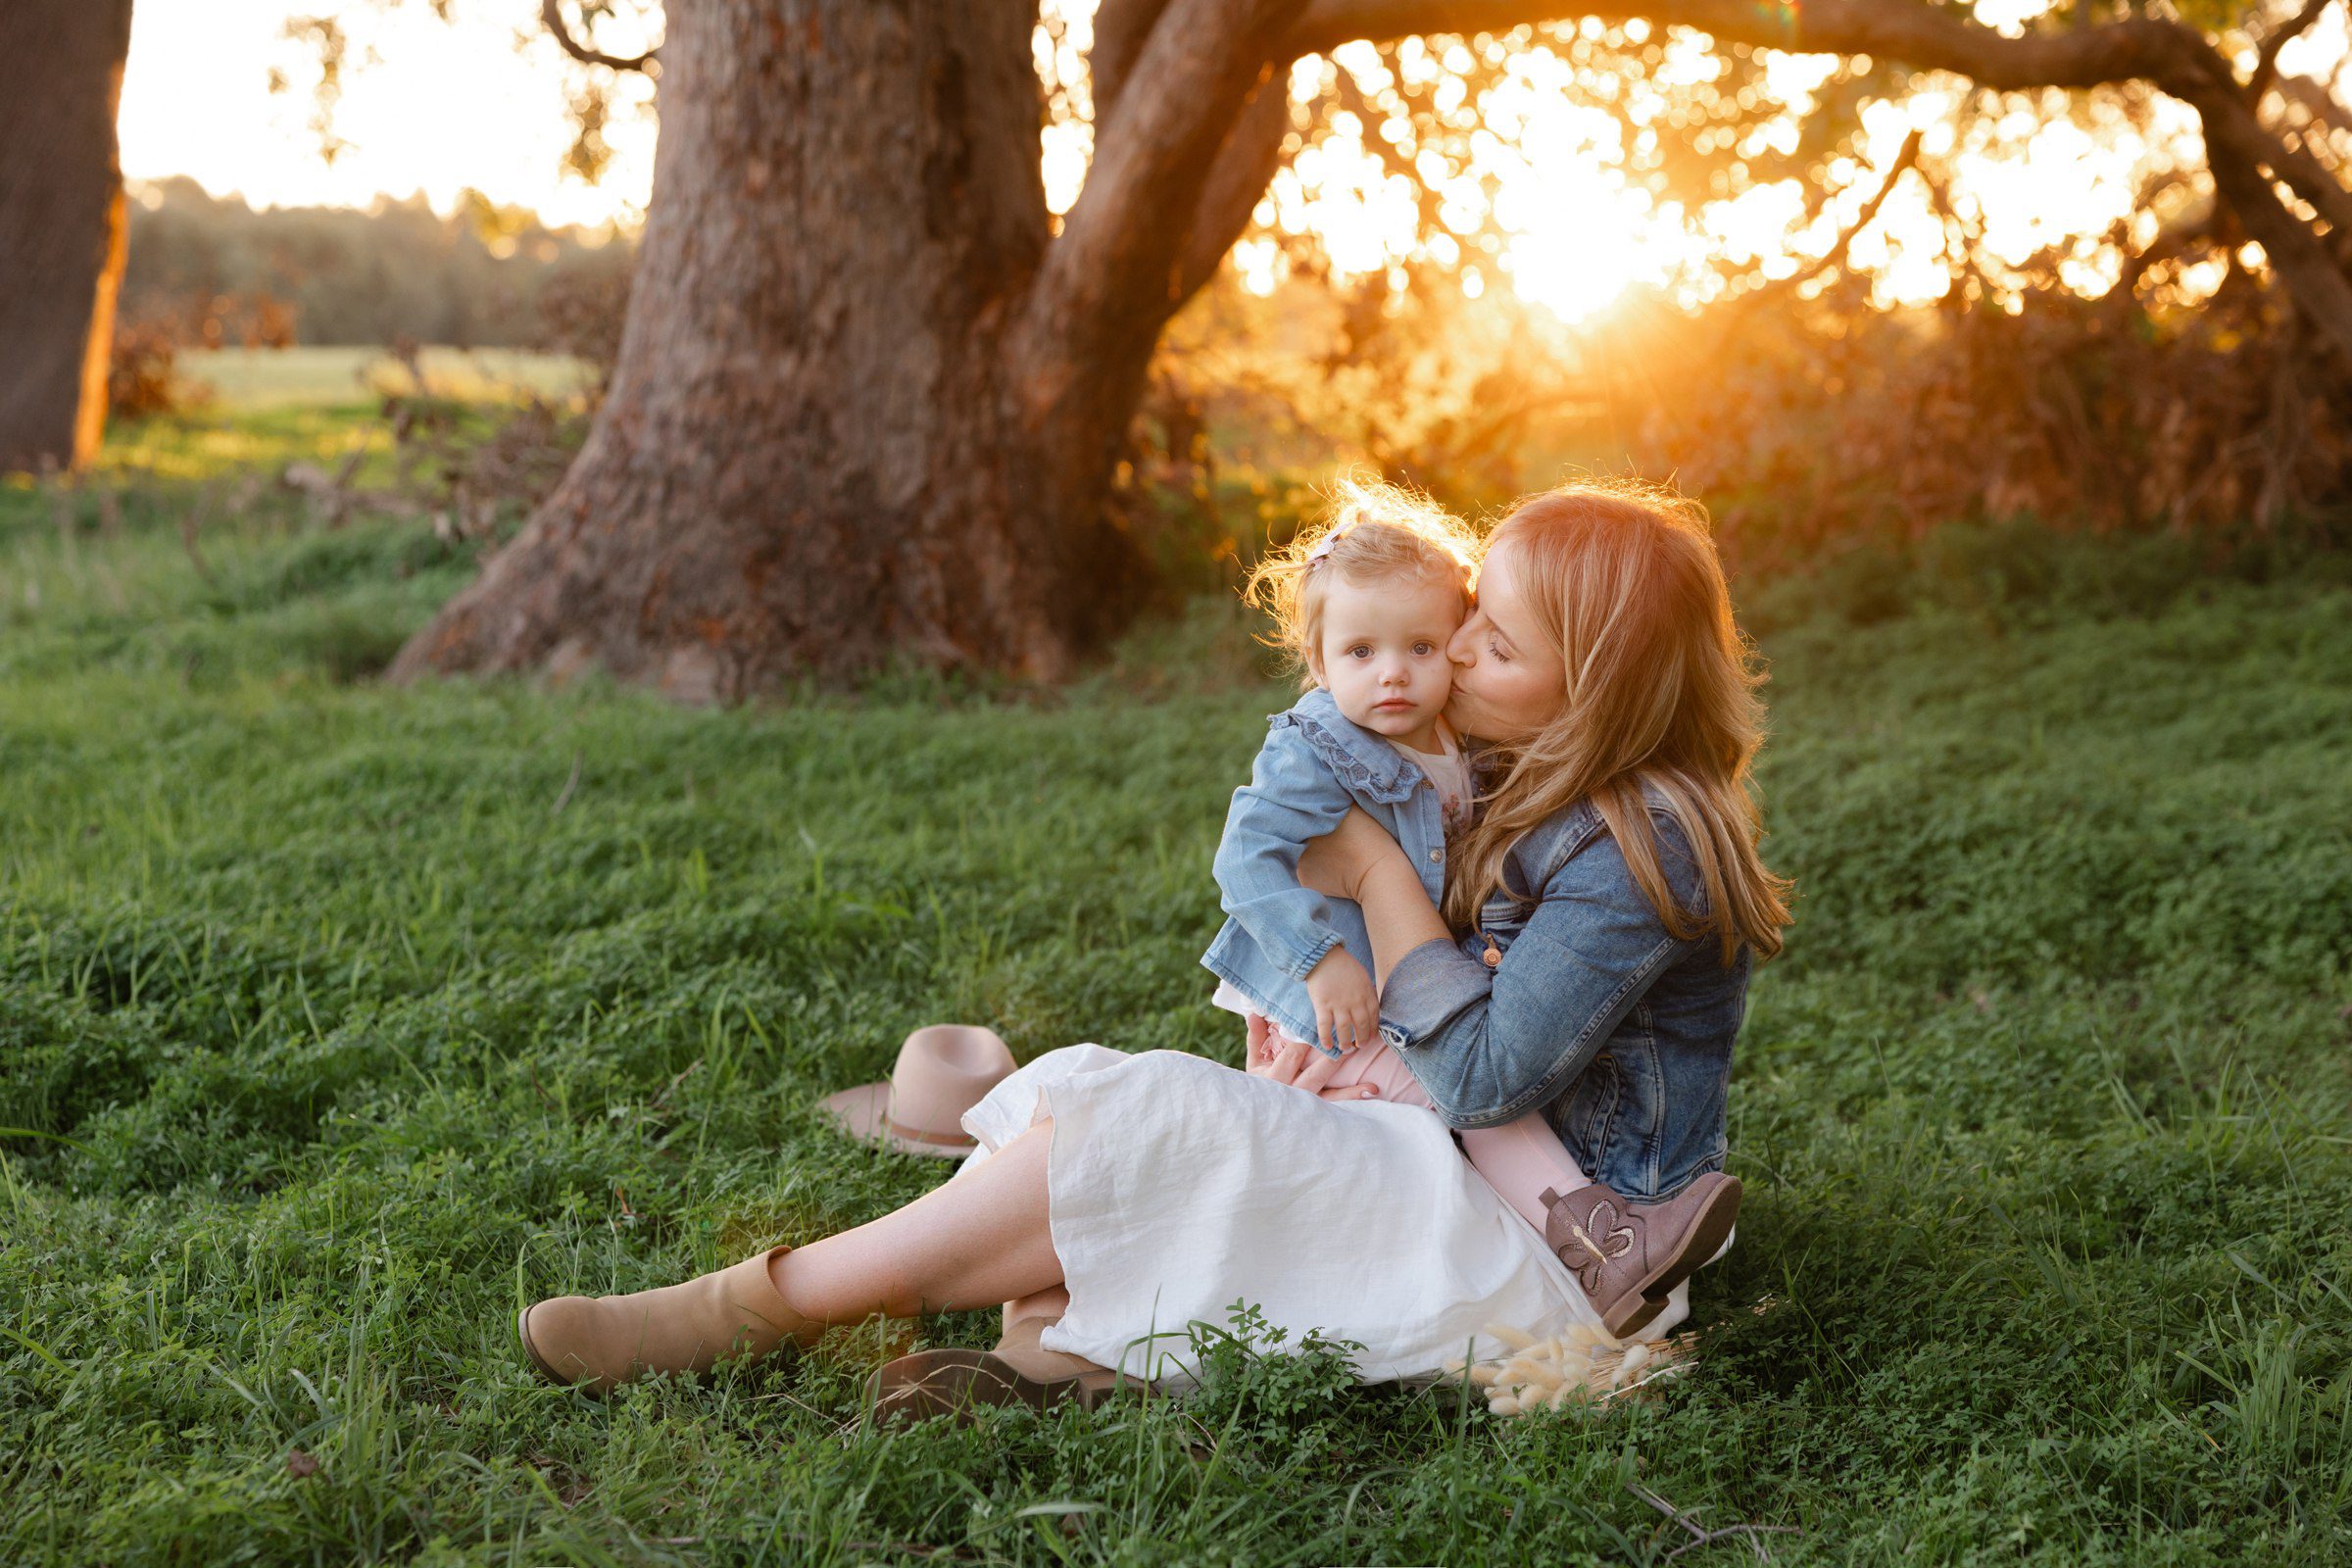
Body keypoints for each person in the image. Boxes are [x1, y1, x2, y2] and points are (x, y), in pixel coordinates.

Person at [514, 479, 1790, 1414]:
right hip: (1444, 1165)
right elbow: (1341, 754)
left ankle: (754, 1313)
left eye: (1492, 642)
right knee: (1126, 1106)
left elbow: (1482, 1082)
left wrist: (1382, 881)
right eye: (1469, 618)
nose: (1452, 653)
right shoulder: (1528, 762)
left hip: (1570, 1254)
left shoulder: (1638, 849)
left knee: (1168, 1116)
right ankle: (1053, 1353)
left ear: (1601, 689)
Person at [1200, 480, 1643, 1322]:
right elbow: (1243, 857)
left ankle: (1536, 1250)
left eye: (1421, 648)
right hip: (1329, 986)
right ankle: (1594, 1245)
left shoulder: (1461, 733)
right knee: (1461, 1099)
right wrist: (1317, 959)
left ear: (1460, 643)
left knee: (1427, 1117)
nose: (1392, 675)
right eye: (1360, 653)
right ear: (1319, 661)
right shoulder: (1317, 742)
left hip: (1402, 974)